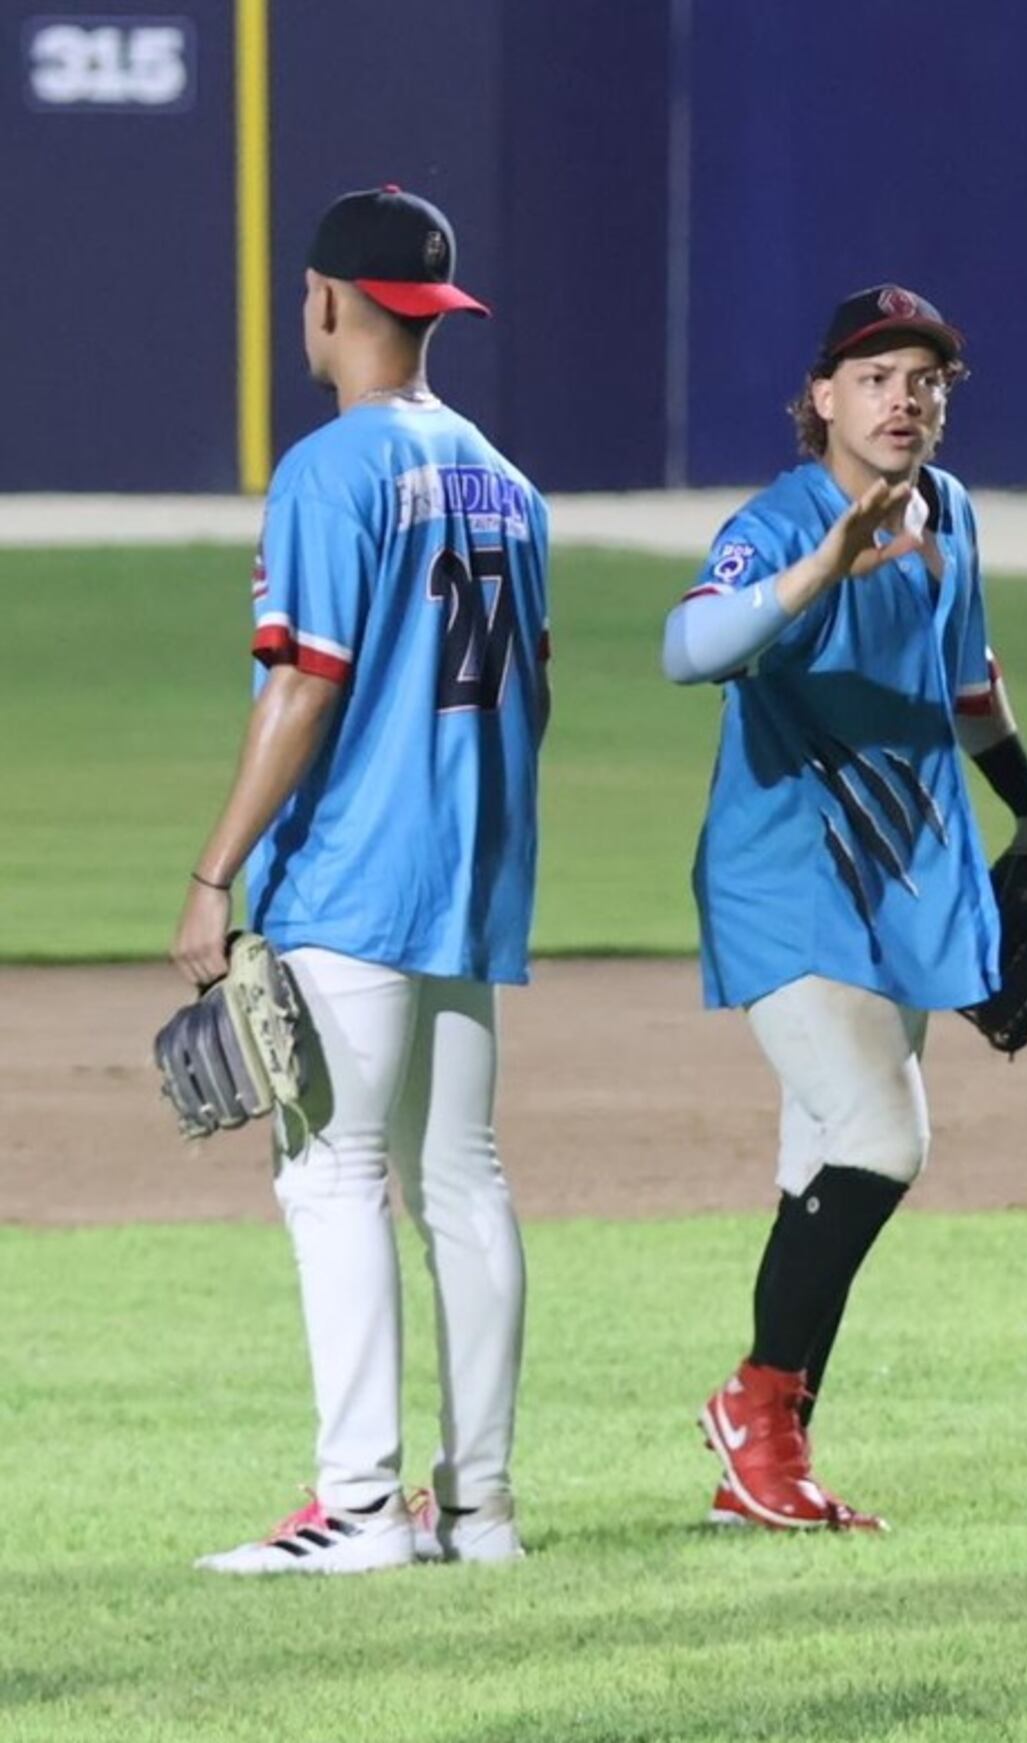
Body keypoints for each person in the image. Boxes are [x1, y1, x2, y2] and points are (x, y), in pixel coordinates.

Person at [178, 186, 546, 1574]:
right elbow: (534, 696)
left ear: (327, 302)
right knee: (463, 1177)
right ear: (436, 311)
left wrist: (214, 873)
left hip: (349, 878)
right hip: (470, 874)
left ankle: (355, 1503)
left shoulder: (328, 473)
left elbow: (304, 680)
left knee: (330, 1177)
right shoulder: (507, 480)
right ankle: (482, 1510)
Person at [662, 285, 1027, 1532]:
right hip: (784, 884)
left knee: (817, 1158)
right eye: (880, 375)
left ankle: (767, 1464)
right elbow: (690, 648)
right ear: (823, 398)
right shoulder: (778, 519)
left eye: (928, 380)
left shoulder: (950, 514)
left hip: (903, 888)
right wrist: (819, 567)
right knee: (884, 1140)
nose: (907, 398)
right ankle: (755, 1406)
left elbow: (967, 687)